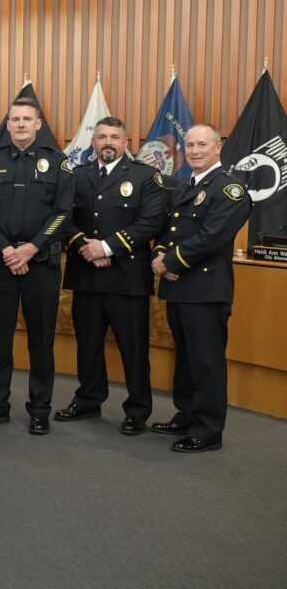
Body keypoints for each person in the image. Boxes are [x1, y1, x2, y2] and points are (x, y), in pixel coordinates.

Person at [55, 116, 166, 434]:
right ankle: (88, 399)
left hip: (126, 279)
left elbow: (151, 222)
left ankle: (138, 409)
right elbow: (63, 217)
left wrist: (105, 248)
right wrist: (83, 246)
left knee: (133, 349)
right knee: (87, 345)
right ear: (93, 142)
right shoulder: (76, 175)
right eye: (102, 136)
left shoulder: (147, 176)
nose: (107, 142)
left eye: (114, 137)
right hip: (86, 275)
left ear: (126, 142)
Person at [0, 97, 73, 435]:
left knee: (41, 342)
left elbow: (64, 213)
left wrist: (30, 248)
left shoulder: (58, 163)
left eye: (27, 119)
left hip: (41, 265)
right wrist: (7, 250)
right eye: (15, 119)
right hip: (1, 264)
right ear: (8, 123)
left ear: (38, 124)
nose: (20, 124)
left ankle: (40, 409)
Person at [150, 123, 251, 453]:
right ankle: (187, 413)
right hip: (178, 288)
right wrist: (158, 255)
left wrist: (171, 262)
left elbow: (211, 237)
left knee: (206, 361)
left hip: (206, 290)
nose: (194, 151)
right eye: (190, 145)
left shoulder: (230, 189)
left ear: (218, 147)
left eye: (202, 145)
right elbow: (168, 231)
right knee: (185, 357)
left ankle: (208, 430)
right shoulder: (182, 188)